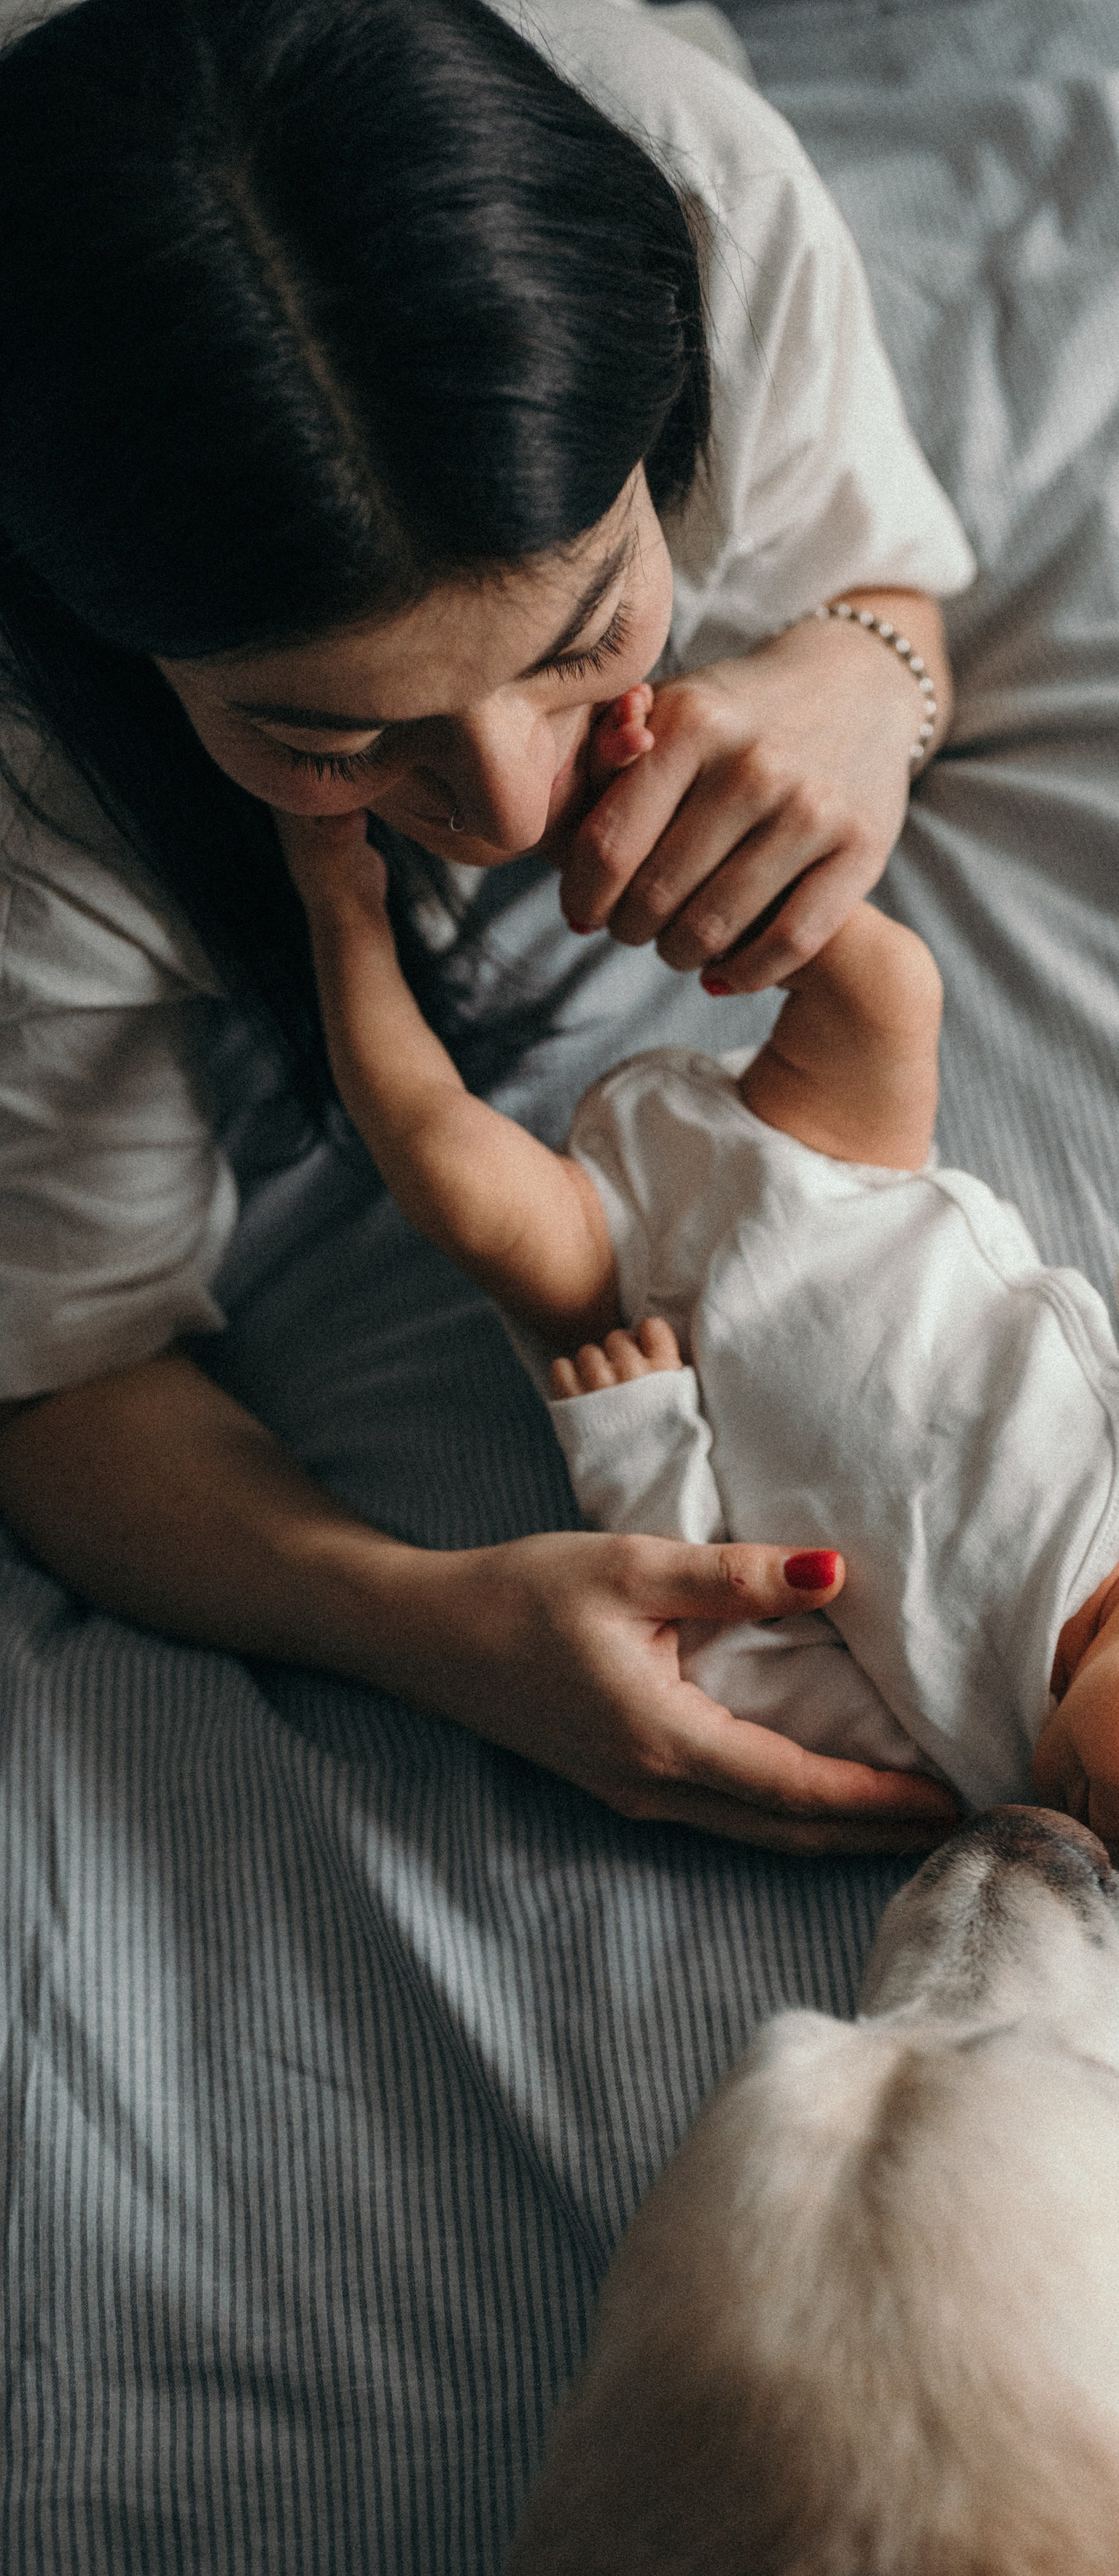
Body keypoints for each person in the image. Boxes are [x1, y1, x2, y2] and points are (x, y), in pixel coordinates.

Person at [0, 0, 980, 1849]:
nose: (517, 816)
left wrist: (862, 675)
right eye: (326, 736)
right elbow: (58, 1366)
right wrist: (423, 1623)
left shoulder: (682, 191)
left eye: (587, 631)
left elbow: (885, 577)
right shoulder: (25, 784)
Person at [295, 798, 1119, 1934]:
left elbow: (737, 1663)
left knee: (454, 1183)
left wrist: (641, 1439)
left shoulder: (976, 1757)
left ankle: (337, 908)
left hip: (642, 1297)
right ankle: (606, 787)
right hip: (839, 1165)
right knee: (888, 983)